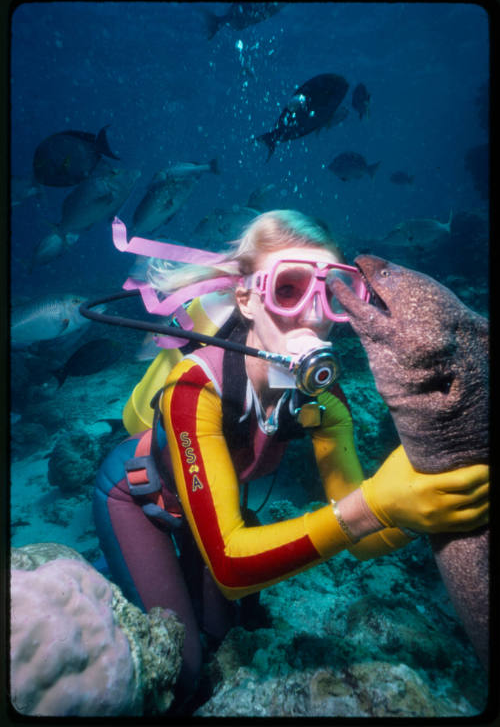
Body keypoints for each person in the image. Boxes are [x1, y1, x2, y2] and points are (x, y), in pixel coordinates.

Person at [93, 210, 488, 710]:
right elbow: (233, 564)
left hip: (211, 504)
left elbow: (363, 538)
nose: (313, 315)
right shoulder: (193, 389)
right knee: (184, 672)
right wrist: (376, 505)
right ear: (246, 298)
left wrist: (411, 510)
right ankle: (111, 568)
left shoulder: (325, 401)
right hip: (139, 493)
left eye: (333, 293)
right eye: (289, 289)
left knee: (223, 637)